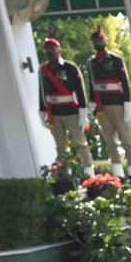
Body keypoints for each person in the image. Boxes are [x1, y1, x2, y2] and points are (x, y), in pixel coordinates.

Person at [85, 27, 131, 179]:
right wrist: (92, 105)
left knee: (126, 139)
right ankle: (118, 174)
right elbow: (91, 85)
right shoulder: (91, 62)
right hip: (102, 106)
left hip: (117, 104)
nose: (98, 42)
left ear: (105, 40)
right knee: (110, 142)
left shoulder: (115, 60)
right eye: (95, 40)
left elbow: (125, 84)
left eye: (100, 39)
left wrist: (127, 106)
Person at [38, 37, 92, 176]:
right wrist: (42, 111)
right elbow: (42, 91)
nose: (50, 51)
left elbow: (80, 91)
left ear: (59, 49)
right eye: (47, 48)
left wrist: (83, 113)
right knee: (61, 147)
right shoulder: (43, 69)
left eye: (53, 48)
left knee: (80, 144)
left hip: (71, 111)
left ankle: (89, 173)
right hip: (54, 113)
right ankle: (65, 176)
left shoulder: (70, 68)